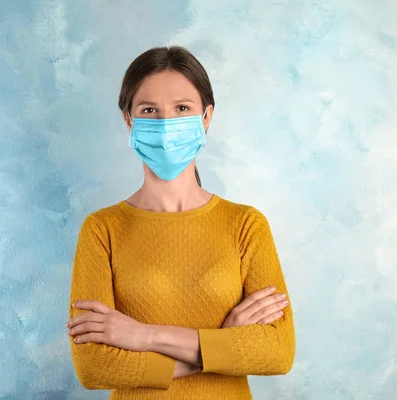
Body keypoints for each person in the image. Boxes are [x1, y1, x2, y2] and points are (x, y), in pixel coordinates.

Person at [66, 46, 295, 400]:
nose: (165, 123)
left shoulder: (246, 225)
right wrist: (220, 345)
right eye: (149, 110)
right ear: (129, 120)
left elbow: (277, 351)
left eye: (182, 109)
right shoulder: (102, 229)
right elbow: (93, 366)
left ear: (206, 117)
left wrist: (145, 336)